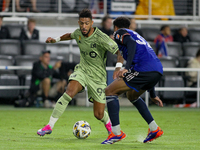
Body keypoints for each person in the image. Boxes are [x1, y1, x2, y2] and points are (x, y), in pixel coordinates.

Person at [37, 9, 119, 139]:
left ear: (92, 22)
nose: (84, 26)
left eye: (86, 23)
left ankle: (111, 129)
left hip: (98, 77)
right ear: (78, 23)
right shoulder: (78, 33)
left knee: (98, 114)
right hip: (82, 70)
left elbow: (118, 51)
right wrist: (55, 40)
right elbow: (70, 35)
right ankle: (49, 126)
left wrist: (118, 67)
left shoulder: (101, 37)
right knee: (69, 92)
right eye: (81, 23)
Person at [101, 17, 164, 144]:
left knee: (109, 91)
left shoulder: (119, 33)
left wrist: (126, 68)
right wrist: (153, 94)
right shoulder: (136, 35)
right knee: (132, 95)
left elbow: (131, 44)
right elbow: (148, 64)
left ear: (115, 28)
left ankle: (116, 133)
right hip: (156, 70)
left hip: (143, 70)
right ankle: (154, 128)